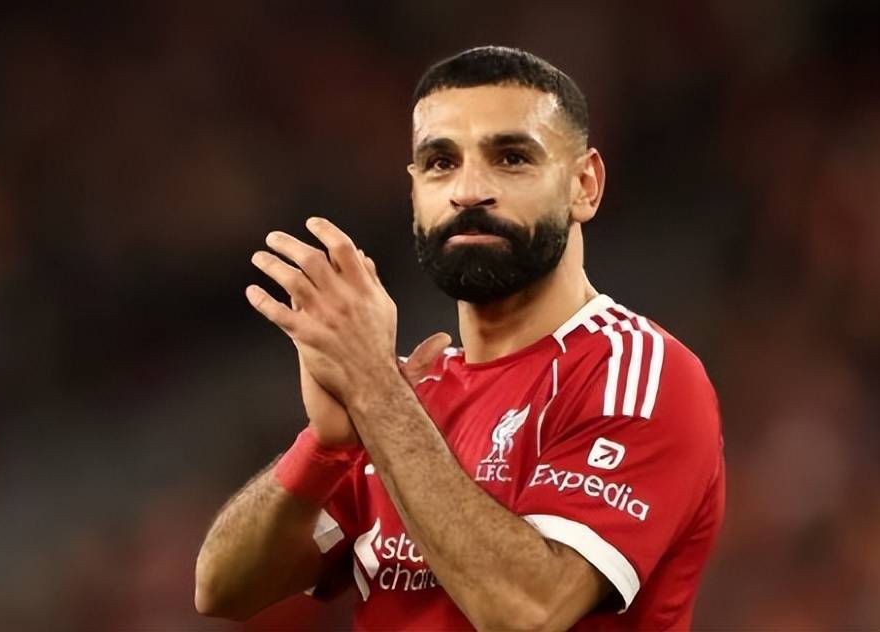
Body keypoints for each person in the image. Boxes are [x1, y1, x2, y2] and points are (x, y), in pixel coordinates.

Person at [194, 46, 725, 631]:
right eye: (441, 162)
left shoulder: (638, 374)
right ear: (415, 191)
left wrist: (375, 391)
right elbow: (224, 590)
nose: (468, 190)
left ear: (584, 185)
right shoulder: (408, 397)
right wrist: (326, 445)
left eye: (512, 158)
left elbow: (528, 611)